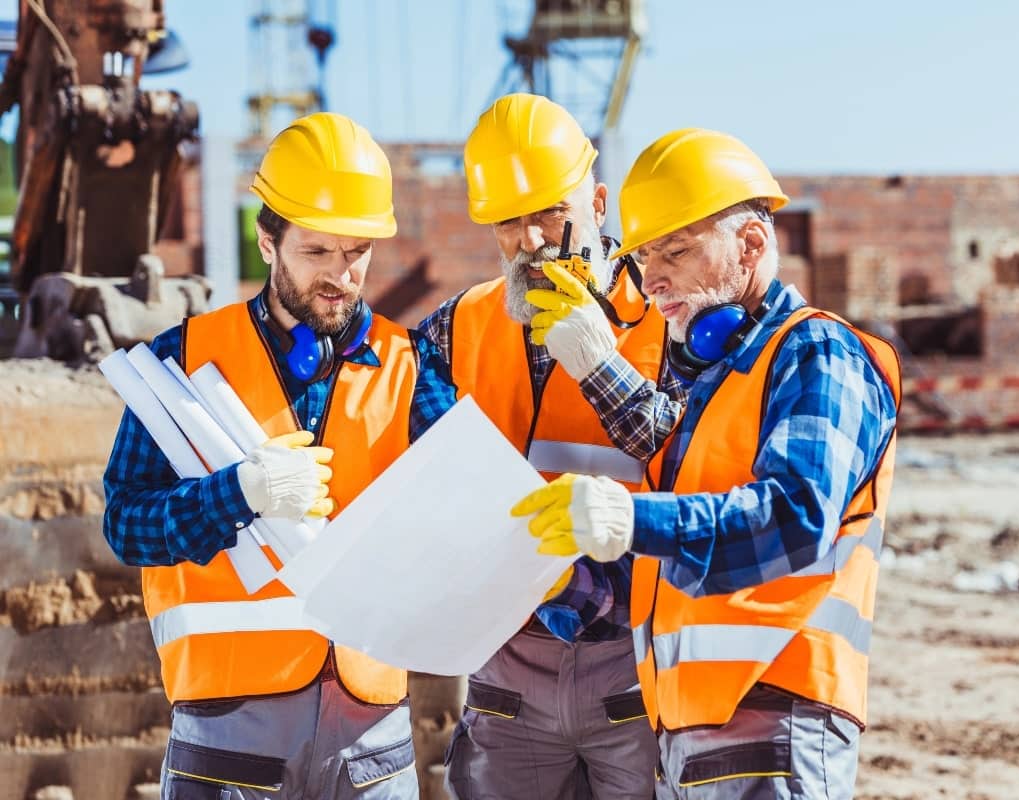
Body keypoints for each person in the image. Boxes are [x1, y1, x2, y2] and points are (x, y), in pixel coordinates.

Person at [512, 128, 902, 799]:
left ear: (751, 246)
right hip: (694, 739)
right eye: (641, 258)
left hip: (775, 727)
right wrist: (553, 585)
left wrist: (630, 517)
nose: (651, 278)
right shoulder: (715, 382)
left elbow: (795, 516)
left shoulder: (816, 352)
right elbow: (678, 564)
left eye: (676, 250)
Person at [102, 112, 456, 799]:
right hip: (231, 731)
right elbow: (126, 524)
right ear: (268, 241)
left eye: (356, 253)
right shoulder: (184, 363)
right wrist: (239, 493)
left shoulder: (413, 368)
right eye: (316, 252)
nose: (340, 276)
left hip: (370, 735)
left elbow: (460, 502)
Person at [423, 93, 685, 799]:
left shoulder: (672, 317)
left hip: (633, 660)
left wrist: (601, 365)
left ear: (598, 203)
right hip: (509, 666)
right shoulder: (460, 325)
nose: (532, 240)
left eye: (550, 213)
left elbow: (698, 466)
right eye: (509, 222)